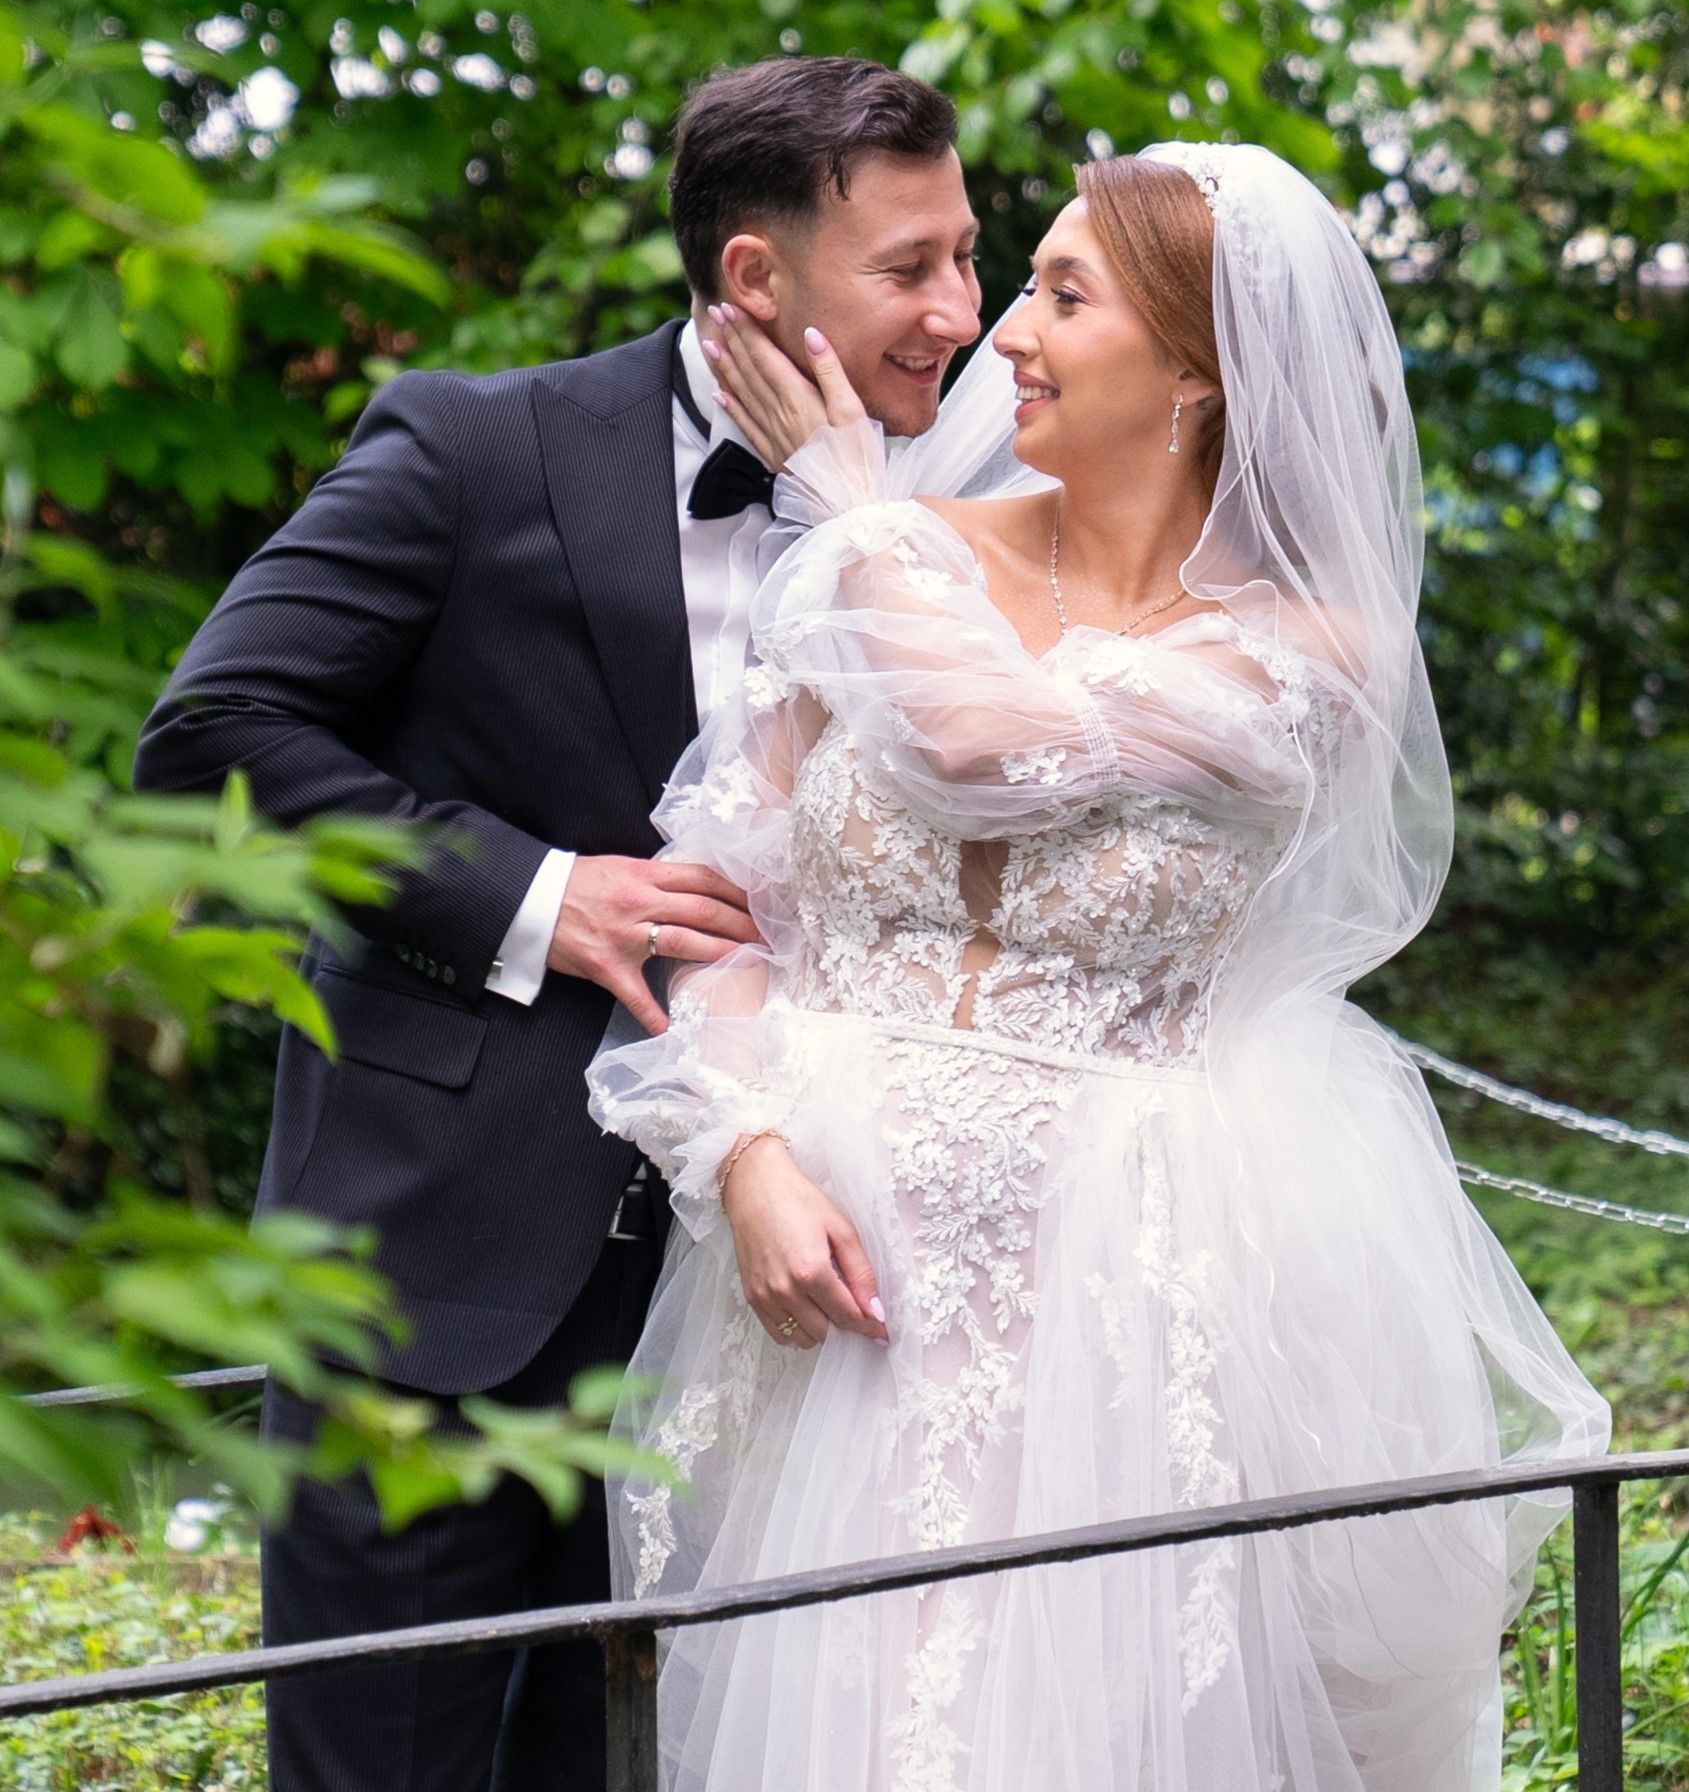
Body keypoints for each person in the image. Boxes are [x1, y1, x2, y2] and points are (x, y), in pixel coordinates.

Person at [585, 141, 1611, 1791]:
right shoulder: (898, 560)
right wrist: (747, 1153)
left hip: (1123, 1281)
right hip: (833, 1275)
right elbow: (719, 906)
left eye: (1065, 296)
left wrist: (851, 513)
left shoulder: (1300, 650)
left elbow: (982, 745)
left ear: (1198, 372)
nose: (1003, 333)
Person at [130, 54, 983, 1792]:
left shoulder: (966, 517)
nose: (960, 313)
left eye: (970, 256)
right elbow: (214, 727)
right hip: (431, 1283)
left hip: (768, 1322)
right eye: (911, 267)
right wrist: (534, 892)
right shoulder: (474, 445)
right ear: (754, 275)